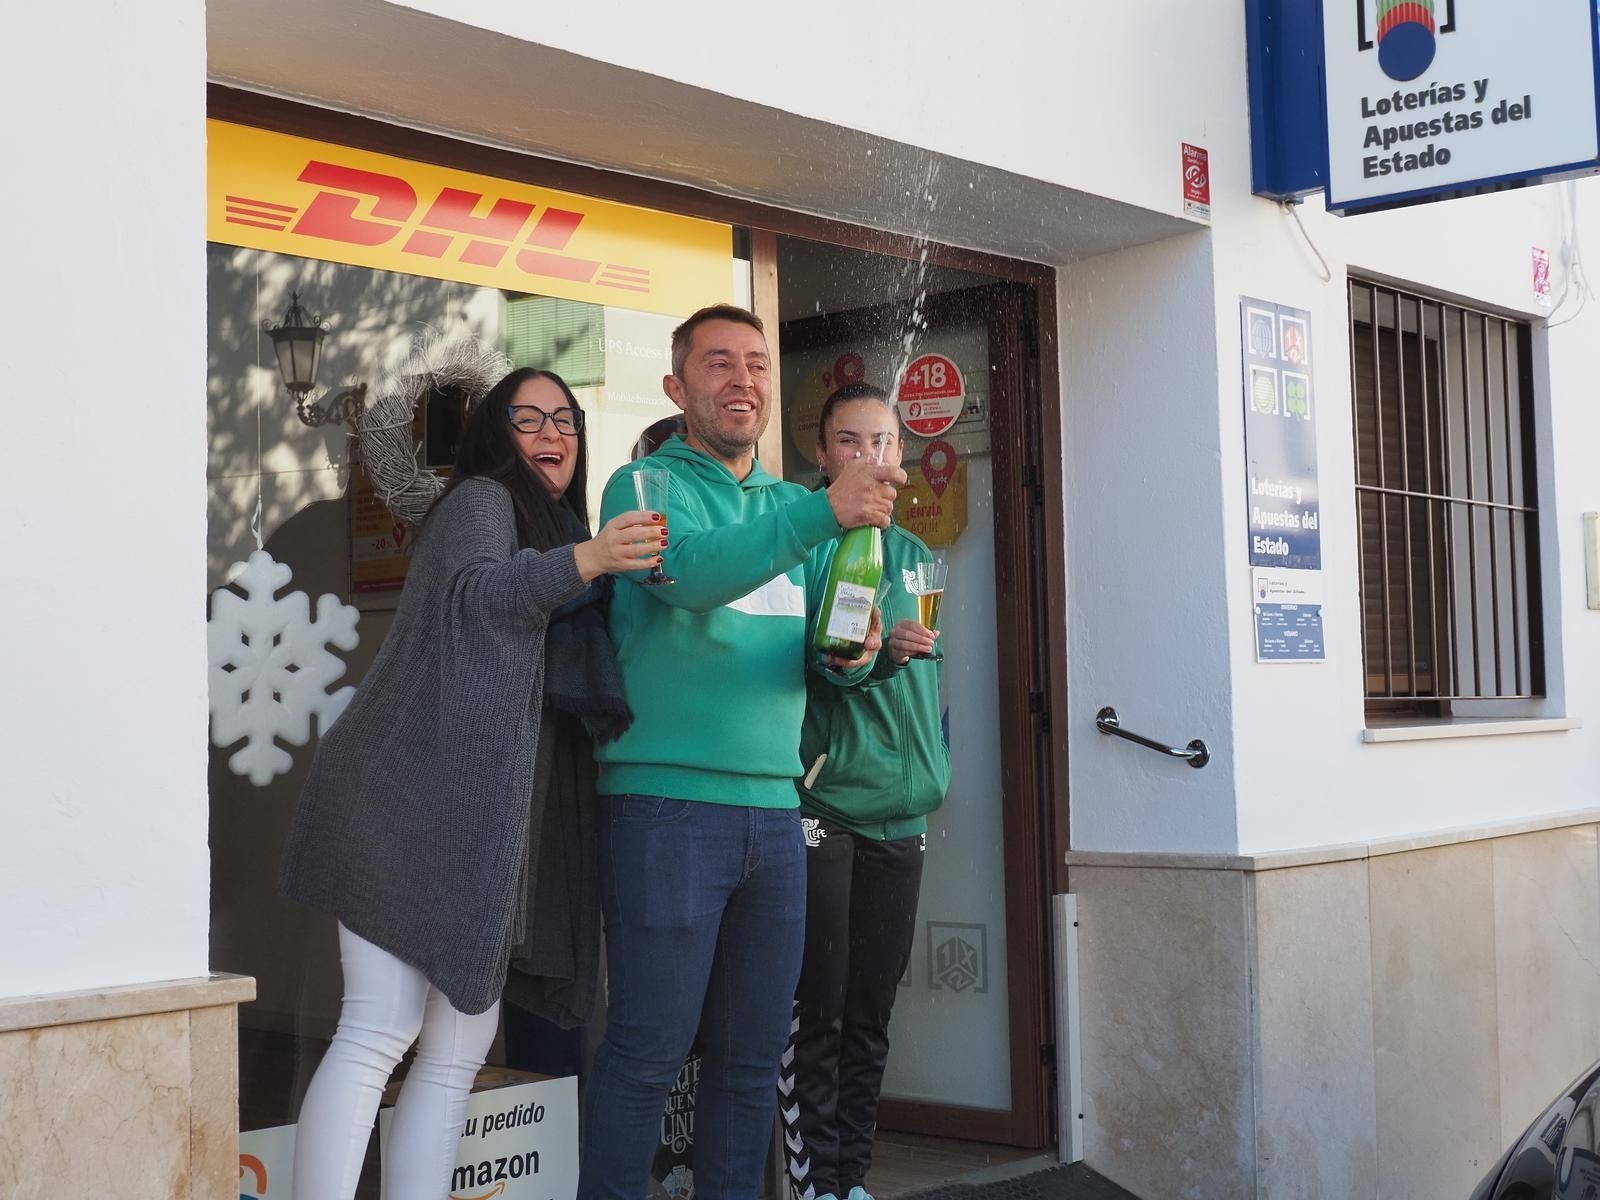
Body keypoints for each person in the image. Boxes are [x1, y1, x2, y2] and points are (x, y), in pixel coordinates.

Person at [279, 367, 664, 1200]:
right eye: (528, 419)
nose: (552, 434)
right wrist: (589, 559)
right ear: (496, 435)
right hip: (398, 804)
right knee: (380, 1027)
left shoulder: (558, 523)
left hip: (475, 828)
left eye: (565, 419)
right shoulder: (484, 503)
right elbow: (483, 599)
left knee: (458, 1047)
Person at [578, 304, 906, 1200]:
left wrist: (858, 652)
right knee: (648, 1052)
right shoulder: (641, 489)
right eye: (718, 363)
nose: (743, 379)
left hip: (775, 810)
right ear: (678, 388)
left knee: (752, 1060)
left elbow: (816, 658)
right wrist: (819, 516)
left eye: (757, 364)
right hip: (665, 806)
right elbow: (690, 578)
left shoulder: (795, 511)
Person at [783, 383, 951, 1200]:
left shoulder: (918, 553)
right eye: (850, 442)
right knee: (819, 1012)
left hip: (903, 811)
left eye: (883, 442)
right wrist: (877, 658)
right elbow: (828, 666)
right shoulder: (810, 547)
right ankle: (815, 1183)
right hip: (827, 808)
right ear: (823, 456)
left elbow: (919, 686)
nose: (869, 457)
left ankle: (852, 1179)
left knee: (871, 1015)